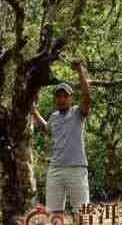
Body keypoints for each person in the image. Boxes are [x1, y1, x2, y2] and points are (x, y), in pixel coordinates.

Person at [32, 61, 92, 224]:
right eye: (58, 96)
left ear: (71, 98)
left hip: (76, 169)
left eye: (65, 96)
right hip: (55, 169)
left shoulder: (78, 113)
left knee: (82, 214)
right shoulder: (53, 117)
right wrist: (34, 111)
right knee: (54, 214)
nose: (61, 99)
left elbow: (87, 97)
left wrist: (80, 72)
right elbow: (46, 128)